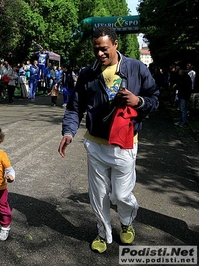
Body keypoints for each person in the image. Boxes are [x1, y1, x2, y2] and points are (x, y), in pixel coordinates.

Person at [58, 26, 159, 253]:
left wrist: (138, 101)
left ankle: (126, 222)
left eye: (104, 49)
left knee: (122, 195)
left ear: (115, 44)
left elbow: (155, 99)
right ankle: (103, 233)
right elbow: (75, 107)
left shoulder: (136, 68)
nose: (99, 54)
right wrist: (68, 132)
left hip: (125, 145)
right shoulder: (88, 74)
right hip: (95, 144)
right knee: (99, 196)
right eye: (96, 50)